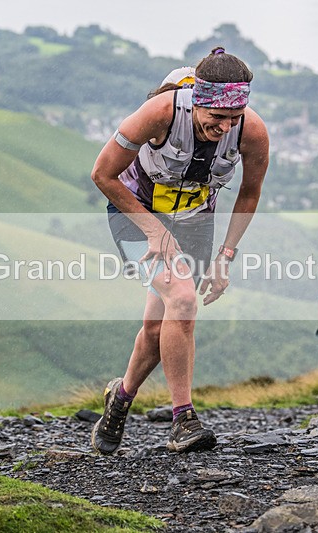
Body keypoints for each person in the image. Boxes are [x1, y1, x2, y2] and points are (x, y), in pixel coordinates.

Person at [89, 48, 269, 454]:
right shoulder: (159, 113)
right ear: (196, 101)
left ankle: (120, 398)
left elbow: (250, 192)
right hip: (136, 213)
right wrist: (154, 231)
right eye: (216, 117)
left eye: (234, 118)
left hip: (194, 222)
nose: (225, 127)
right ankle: (183, 420)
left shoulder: (252, 130)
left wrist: (226, 255)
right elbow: (102, 174)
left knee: (159, 327)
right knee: (184, 300)